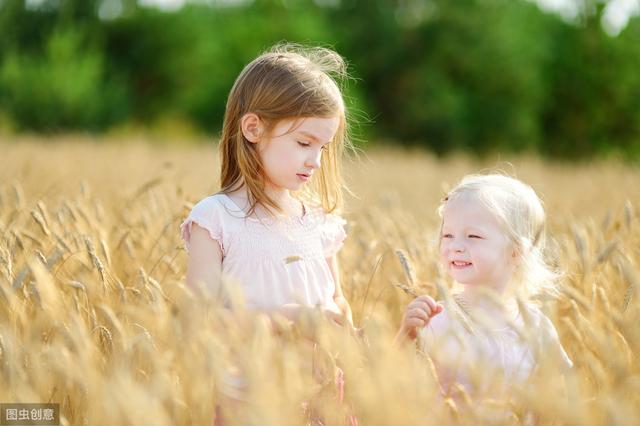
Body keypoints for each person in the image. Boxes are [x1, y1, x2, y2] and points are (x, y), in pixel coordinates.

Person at [180, 43, 355, 424]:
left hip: (321, 402)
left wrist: (342, 328)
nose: (316, 159)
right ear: (254, 128)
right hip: (251, 404)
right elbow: (201, 319)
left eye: (323, 147)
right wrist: (290, 319)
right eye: (304, 143)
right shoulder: (216, 219)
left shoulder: (318, 221)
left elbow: (337, 300)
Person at [396, 174, 572, 416]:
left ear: (515, 252)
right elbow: (393, 380)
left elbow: (563, 388)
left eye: (473, 236)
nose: (455, 245)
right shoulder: (436, 319)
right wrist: (406, 335)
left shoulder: (537, 327)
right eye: (447, 235)